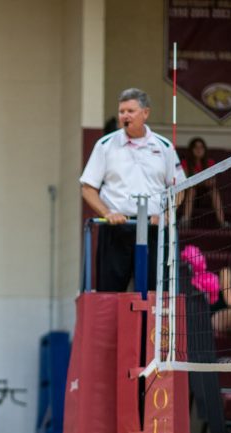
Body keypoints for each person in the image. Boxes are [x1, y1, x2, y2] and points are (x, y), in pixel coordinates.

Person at [80, 88, 186, 292]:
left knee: (155, 291)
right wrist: (107, 213)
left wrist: (166, 214)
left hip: (153, 228)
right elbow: (87, 188)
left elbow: (179, 188)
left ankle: (153, 326)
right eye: (121, 111)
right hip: (117, 227)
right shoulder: (105, 145)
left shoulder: (164, 147)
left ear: (145, 113)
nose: (124, 116)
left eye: (130, 110)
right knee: (109, 292)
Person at [179, 137, 226, 229]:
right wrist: (203, 179)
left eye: (201, 147)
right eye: (196, 147)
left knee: (214, 191)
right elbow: (185, 181)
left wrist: (196, 179)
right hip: (187, 195)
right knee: (191, 189)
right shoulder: (185, 162)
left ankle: (222, 222)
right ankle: (185, 221)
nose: (199, 150)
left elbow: (212, 182)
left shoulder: (210, 162)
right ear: (191, 150)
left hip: (205, 196)